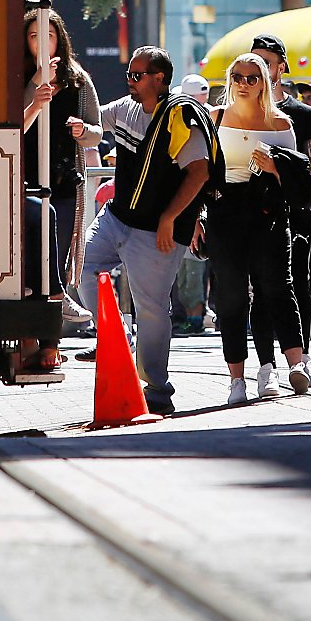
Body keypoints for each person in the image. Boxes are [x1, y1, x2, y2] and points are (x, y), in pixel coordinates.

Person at [82, 47, 214, 415]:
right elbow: (97, 126)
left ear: (160, 79)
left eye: (137, 76)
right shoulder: (125, 108)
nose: (130, 81)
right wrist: (84, 130)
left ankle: (157, 388)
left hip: (157, 230)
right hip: (116, 217)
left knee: (152, 308)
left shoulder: (180, 116)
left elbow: (200, 171)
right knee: (83, 266)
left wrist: (170, 218)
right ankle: (117, 340)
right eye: (129, 74)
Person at [207, 53, 311, 405]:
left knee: (278, 287)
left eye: (252, 78)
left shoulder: (281, 123)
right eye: (237, 77)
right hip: (225, 209)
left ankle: (296, 365)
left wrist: (274, 167)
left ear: (265, 83)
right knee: (232, 294)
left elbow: (299, 177)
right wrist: (195, 217)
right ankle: (236, 379)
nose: (243, 83)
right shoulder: (216, 116)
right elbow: (200, 170)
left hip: (267, 210)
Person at [250, 33, 311, 385]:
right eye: (253, 62)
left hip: (295, 210)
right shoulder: (241, 108)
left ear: (281, 67)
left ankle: (302, 359)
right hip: (254, 213)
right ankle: (265, 367)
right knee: (259, 289)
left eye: (267, 63)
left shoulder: (301, 114)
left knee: (299, 285)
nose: (259, 70)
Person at [23, 9, 102, 300]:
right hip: (24, 177)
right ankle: (29, 336)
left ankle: (52, 337)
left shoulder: (78, 80)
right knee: (29, 257)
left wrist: (83, 131)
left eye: (49, 36)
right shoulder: (16, 75)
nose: (42, 42)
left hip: (64, 178)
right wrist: (36, 82)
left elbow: (98, 131)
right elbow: (10, 124)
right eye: (34, 36)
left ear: (60, 40)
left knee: (57, 251)